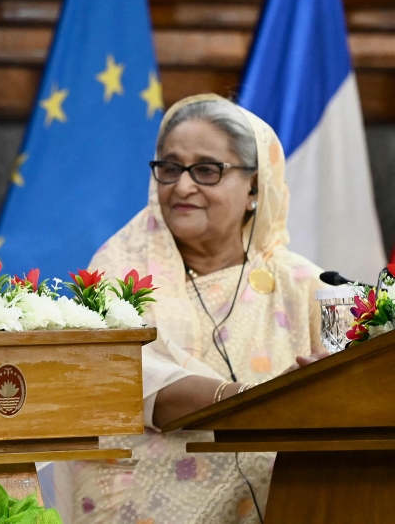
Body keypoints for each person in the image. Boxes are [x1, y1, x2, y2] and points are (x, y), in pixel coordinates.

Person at [71, 94, 329, 523]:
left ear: (254, 186)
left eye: (207, 170)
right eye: (170, 169)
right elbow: (138, 382)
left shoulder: (305, 286)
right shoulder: (118, 270)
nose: (183, 186)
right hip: (135, 506)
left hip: (285, 503)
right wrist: (270, 401)